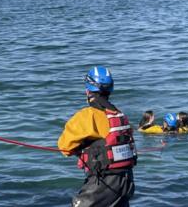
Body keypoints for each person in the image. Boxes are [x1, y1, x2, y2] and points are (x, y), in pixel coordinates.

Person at [58, 66, 137, 207]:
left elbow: (64, 148)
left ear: (87, 90)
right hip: (126, 181)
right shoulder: (119, 115)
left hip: (103, 184)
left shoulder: (87, 115)